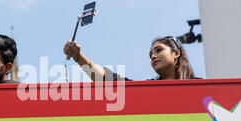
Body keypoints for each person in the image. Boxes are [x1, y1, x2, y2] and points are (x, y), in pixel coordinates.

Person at [63, 35, 198, 81]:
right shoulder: (145, 90)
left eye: (159, 50)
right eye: (150, 55)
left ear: (176, 53)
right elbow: (105, 78)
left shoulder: (202, 88)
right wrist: (78, 56)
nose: (153, 57)